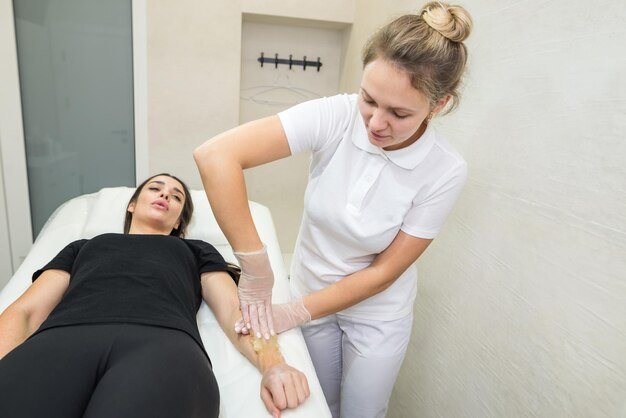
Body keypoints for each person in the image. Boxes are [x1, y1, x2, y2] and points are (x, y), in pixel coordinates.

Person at [194, 2, 472, 417]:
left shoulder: (445, 170)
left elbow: (383, 271)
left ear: (440, 105)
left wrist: (295, 311)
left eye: (399, 113)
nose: (376, 123)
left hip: (377, 309)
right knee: (320, 403)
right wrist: (255, 265)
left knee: (363, 410)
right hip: (310, 281)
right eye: (369, 99)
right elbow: (215, 156)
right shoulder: (338, 115)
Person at [0, 173, 309, 418]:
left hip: (161, 347)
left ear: (178, 222)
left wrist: (273, 364)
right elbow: (25, 311)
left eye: (176, 197)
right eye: (156, 189)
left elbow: (234, 312)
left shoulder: (195, 250)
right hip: (62, 341)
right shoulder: (86, 246)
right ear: (132, 204)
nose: (165, 195)